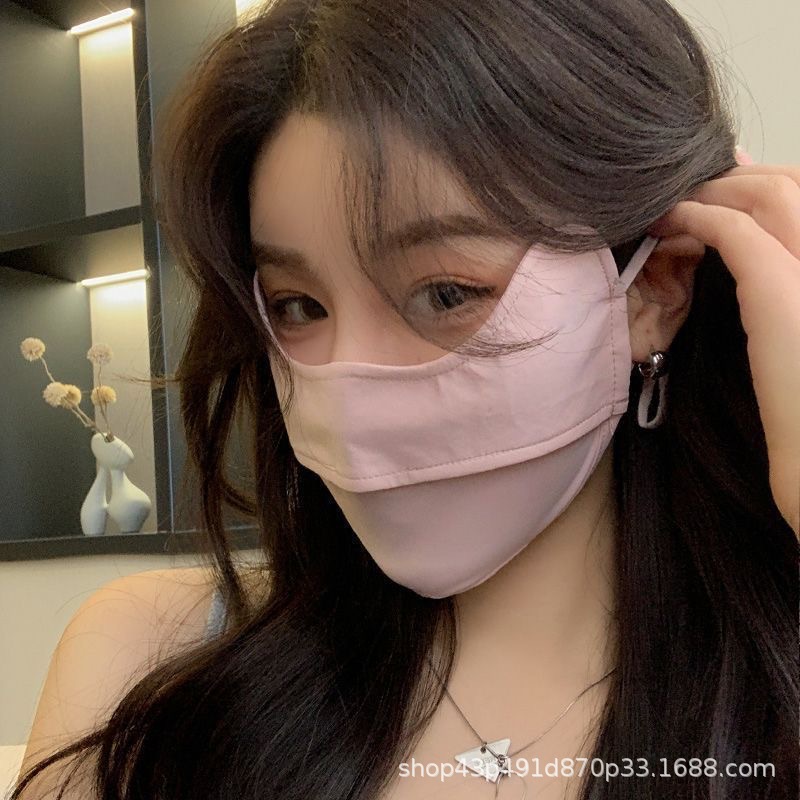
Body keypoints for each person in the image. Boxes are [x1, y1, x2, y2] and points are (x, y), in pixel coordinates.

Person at [12, 1, 799, 798]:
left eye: (446, 292)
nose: (348, 389)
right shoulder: (146, 658)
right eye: (297, 306)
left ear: (655, 285)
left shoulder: (773, 701)